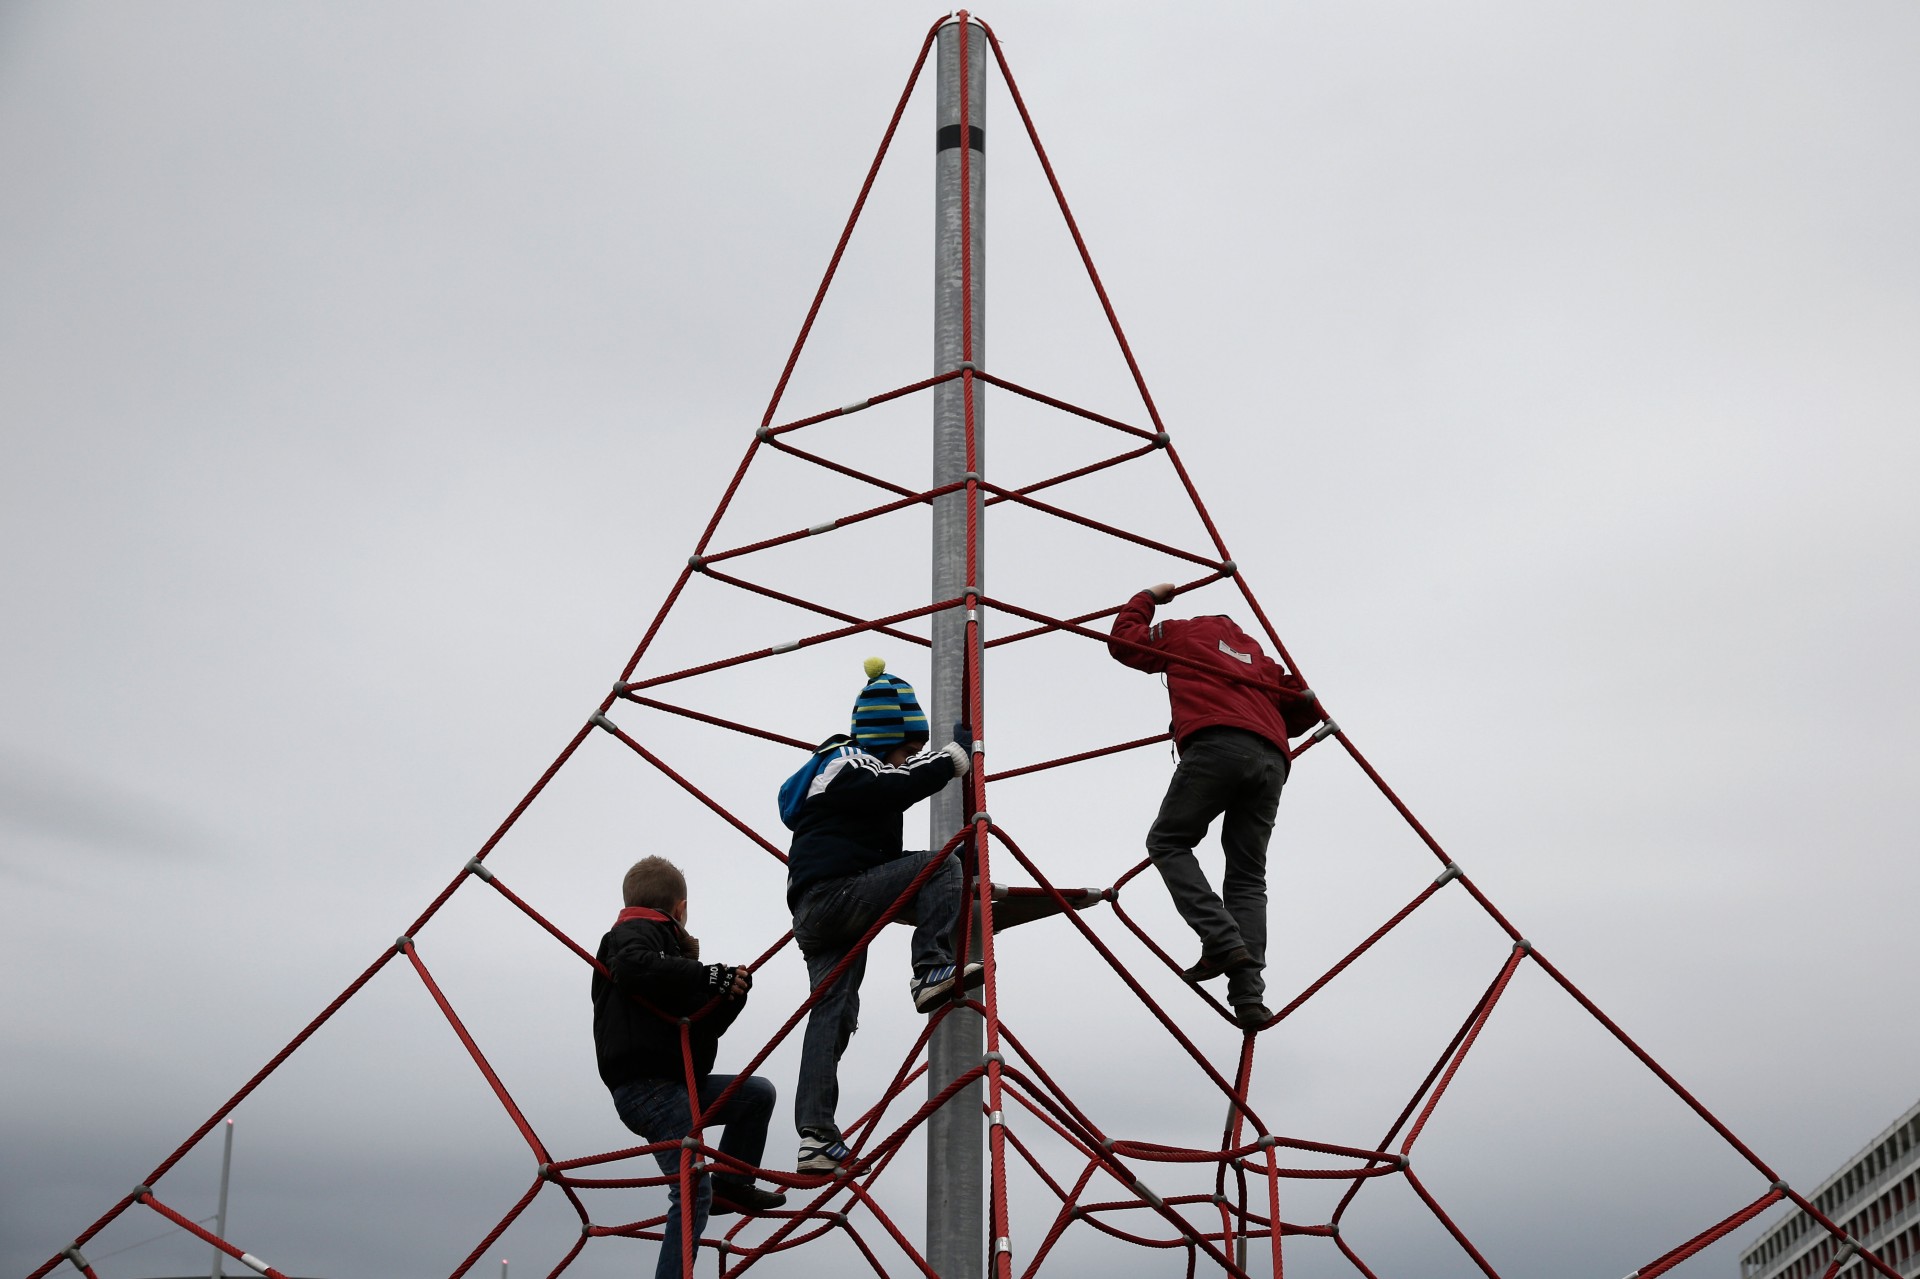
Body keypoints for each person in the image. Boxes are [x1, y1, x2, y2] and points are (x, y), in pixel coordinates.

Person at [777, 657, 981, 1175]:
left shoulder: (851, 781)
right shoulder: (849, 762)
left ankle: (815, 1136)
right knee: (941, 863)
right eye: (907, 749)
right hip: (834, 896)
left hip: (821, 908)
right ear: (886, 736)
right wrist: (952, 759)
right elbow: (895, 783)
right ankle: (930, 968)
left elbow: (888, 859)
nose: (908, 760)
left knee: (834, 1013)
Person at [1108, 583, 1323, 1030]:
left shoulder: (1184, 632)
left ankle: (1221, 938)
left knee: (1168, 841)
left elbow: (1124, 642)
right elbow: (1306, 708)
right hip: (1271, 762)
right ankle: (1248, 995)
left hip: (1217, 745)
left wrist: (1148, 596)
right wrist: (1262, 709)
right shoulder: (1261, 660)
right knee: (1248, 876)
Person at [592, 855, 786, 1279]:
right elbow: (632, 966)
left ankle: (732, 1184)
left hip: (678, 1084)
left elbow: (699, 1026)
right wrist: (705, 974)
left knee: (757, 1094)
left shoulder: (669, 961)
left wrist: (730, 995)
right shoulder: (630, 932)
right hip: (648, 1087)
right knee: (692, 1191)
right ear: (680, 909)